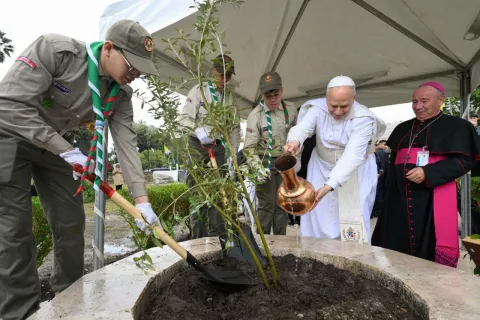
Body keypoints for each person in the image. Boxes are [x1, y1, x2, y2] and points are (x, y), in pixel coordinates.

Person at [0, 20, 162, 320]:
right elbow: (8, 105)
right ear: (109, 49)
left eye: (141, 70)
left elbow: (127, 145)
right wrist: (67, 150)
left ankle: (68, 302)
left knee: (71, 222)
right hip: (11, 134)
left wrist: (143, 202)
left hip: (55, 143)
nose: (135, 75)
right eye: (132, 65)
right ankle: (19, 312)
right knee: (14, 230)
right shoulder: (56, 51)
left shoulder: (120, 96)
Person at [372, 82, 480, 268]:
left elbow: (466, 161)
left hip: (431, 200)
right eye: (414, 101)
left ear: (441, 100)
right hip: (399, 199)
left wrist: (428, 172)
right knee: (396, 250)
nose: (418, 106)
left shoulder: (458, 127)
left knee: (428, 251)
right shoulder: (402, 128)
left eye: (424, 101)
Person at [284, 76, 385, 244]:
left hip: (354, 173)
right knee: (317, 214)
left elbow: (353, 156)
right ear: (326, 99)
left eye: (344, 106)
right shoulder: (317, 109)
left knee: (351, 219)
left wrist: (329, 185)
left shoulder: (364, 118)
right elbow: (302, 129)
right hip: (320, 168)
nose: (338, 112)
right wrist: (294, 141)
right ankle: (314, 252)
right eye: (333, 106)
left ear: (354, 99)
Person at [177, 54, 241, 240]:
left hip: (218, 148)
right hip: (197, 147)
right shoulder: (198, 91)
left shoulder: (230, 97)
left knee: (219, 197)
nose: (225, 79)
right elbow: (183, 120)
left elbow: (235, 127)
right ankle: (198, 240)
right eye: (222, 75)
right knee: (198, 196)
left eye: (228, 76)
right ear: (213, 71)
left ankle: (218, 241)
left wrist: (233, 153)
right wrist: (198, 131)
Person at [243, 71, 298, 235]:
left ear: (282, 91)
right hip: (264, 163)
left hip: (284, 164)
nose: (273, 99)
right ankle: (263, 243)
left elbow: (297, 132)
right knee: (267, 207)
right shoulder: (256, 116)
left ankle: (281, 245)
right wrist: (258, 168)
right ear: (262, 94)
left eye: (276, 94)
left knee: (282, 204)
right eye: (268, 96)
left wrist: (297, 157)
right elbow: (249, 148)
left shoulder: (291, 109)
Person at [371, 140, 389, 218]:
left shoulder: (377, 154)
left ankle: (373, 212)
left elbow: (382, 166)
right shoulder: (380, 153)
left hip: (376, 177)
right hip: (378, 178)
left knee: (375, 194)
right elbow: (383, 165)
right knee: (377, 194)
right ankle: (375, 211)